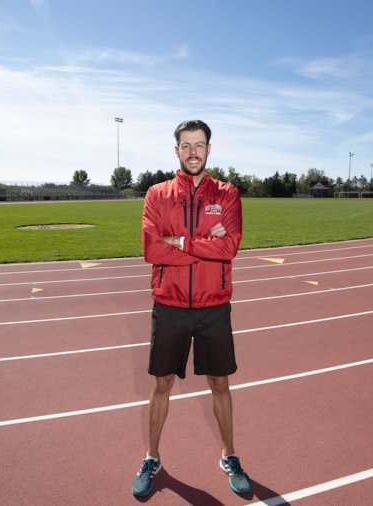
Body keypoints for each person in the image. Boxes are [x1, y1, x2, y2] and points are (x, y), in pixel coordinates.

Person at [132, 119, 250, 497]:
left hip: (214, 306)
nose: (193, 152)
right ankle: (152, 457)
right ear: (177, 151)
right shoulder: (157, 194)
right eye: (186, 145)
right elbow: (152, 250)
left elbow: (229, 248)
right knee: (161, 383)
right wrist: (202, 243)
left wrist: (179, 242)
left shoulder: (228, 194)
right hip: (169, 304)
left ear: (209, 149)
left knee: (219, 382)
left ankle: (229, 455)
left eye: (200, 145)